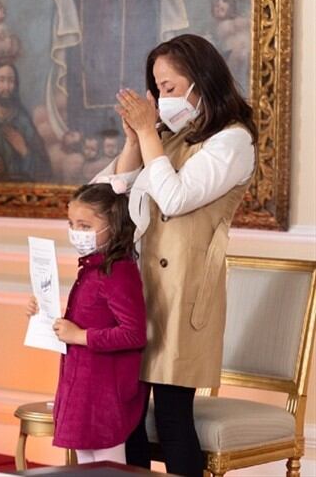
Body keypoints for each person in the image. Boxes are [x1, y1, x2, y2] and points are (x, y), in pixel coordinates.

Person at [107, 33, 256, 477]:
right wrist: (136, 140)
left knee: (173, 417)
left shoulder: (232, 141)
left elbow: (174, 199)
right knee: (129, 416)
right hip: (143, 290)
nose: (159, 100)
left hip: (187, 292)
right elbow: (116, 195)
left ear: (202, 81)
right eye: (156, 89)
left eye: (168, 88)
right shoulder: (168, 137)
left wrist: (150, 132)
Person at [25, 183, 147, 464]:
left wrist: (80, 336)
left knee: (107, 466)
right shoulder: (92, 269)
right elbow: (81, 322)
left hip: (106, 392)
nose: (76, 232)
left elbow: (133, 334)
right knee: (86, 465)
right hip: (82, 385)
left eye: (84, 225)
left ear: (114, 225)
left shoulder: (118, 271)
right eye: (71, 224)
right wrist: (41, 312)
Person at [0, 63, 52, 182]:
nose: (7, 87)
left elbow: (45, 170)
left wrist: (24, 151)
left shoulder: (23, 120)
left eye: (11, 81)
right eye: (1, 80)